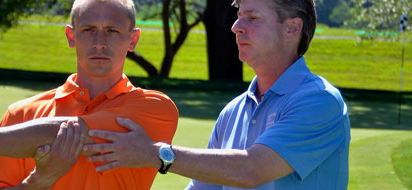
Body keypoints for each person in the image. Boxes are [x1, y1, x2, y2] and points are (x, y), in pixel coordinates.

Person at [83, 0, 351, 189]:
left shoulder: (320, 101)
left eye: (253, 17)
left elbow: (252, 170)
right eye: (239, 15)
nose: (236, 26)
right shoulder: (233, 110)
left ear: (292, 28)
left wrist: (155, 154)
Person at [0, 0, 179, 189]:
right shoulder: (21, 114)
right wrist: (39, 182)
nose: (100, 42)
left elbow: (68, 131)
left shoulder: (155, 108)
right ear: (70, 35)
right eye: (88, 30)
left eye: (112, 31)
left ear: (133, 40)